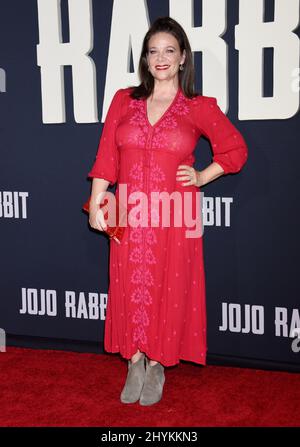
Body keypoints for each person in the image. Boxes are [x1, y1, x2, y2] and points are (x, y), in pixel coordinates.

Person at [87, 16, 248, 406]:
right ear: (145, 59)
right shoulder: (125, 101)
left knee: (169, 287)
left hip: (175, 215)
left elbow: (235, 150)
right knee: (128, 285)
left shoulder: (197, 106)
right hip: (128, 212)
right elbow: (107, 154)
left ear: (182, 59)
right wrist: (96, 201)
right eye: (153, 51)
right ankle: (135, 360)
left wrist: (202, 176)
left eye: (169, 51)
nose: (161, 58)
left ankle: (157, 364)